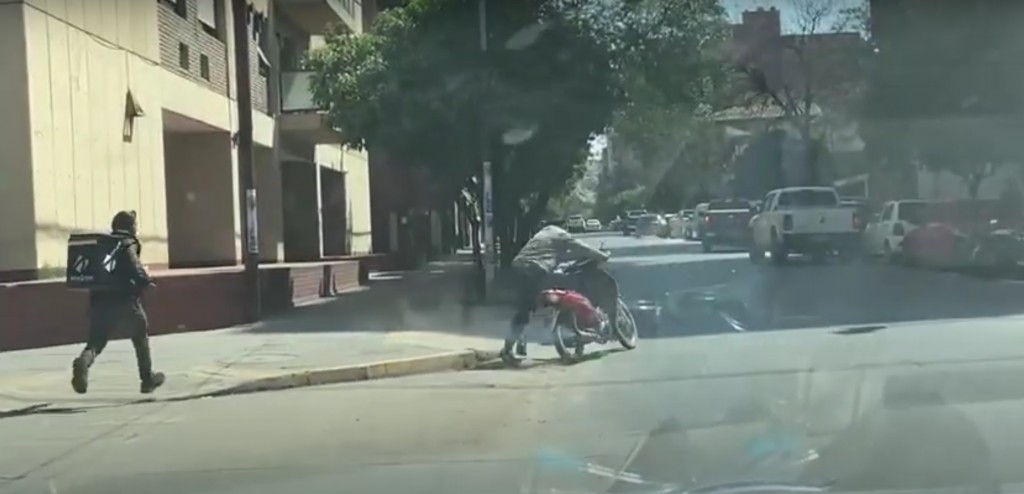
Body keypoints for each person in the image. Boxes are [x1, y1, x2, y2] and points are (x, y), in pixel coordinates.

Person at [71, 211, 165, 394]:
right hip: (126, 300)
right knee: (140, 334)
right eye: (135, 225)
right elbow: (134, 266)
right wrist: (146, 282)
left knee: (96, 341)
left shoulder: (102, 244)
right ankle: (147, 379)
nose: (136, 229)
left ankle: (83, 361)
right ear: (129, 227)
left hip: (99, 300)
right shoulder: (126, 243)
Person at [500, 224, 615, 364]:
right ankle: (507, 350)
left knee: (528, 306)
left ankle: (520, 343)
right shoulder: (560, 234)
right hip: (534, 270)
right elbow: (581, 248)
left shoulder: (542, 235)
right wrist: (602, 255)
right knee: (530, 308)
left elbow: (558, 255)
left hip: (518, 266)